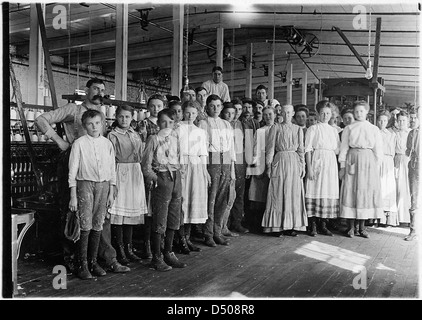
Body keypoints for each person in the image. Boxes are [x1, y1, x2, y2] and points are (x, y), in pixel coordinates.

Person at [35, 78, 129, 274]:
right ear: (86, 90)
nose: (99, 92)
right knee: (72, 212)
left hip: (96, 169)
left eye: (103, 90)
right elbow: (41, 119)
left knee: (101, 216)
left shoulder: (101, 114)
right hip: (74, 161)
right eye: (95, 88)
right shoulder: (73, 109)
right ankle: (74, 260)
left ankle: (104, 259)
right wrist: (60, 141)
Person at [68, 109, 116, 279]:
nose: (94, 126)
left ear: (102, 123)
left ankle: (94, 262)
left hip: (103, 186)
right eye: (90, 123)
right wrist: (73, 194)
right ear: (84, 125)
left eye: (97, 123)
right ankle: (83, 265)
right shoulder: (79, 143)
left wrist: (111, 191)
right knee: (85, 224)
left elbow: (112, 168)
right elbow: (72, 170)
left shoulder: (107, 144)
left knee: (98, 224)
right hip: (85, 185)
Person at [141, 108, 187, 271]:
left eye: (171, 122)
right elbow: (145, 166)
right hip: (162, 178)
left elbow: (181, 158)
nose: (167, 125)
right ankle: (157, 257)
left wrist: (180, 172)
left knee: (174, 218)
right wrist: (157, 180)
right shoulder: (153, 139)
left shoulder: (176, 138)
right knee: (160, 219)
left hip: (176, 179)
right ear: (158, 123)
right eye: (163, 122)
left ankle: (168, 252)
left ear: (175, 124)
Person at [107, 105, 148, 266]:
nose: (124, 120)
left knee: (130, 213)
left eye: (127, 117)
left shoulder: (135, 133)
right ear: (116, 117)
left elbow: (141, 153)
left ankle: (130, 249)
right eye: (121, 117)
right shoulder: (112, 135)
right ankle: (120, 250)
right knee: (119, 213)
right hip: (120, 171)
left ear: (132, 118)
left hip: (134, 171)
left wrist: (143, 137)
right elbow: (110, 158)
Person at [338, 101, 383, 238]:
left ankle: (362, 227)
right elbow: (344, 148)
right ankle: (351, 227)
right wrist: (342, 166)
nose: (358, 114)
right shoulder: (349, 128)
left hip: (368, 161)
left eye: (361, 111)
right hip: (352, 159)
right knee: (351, 192)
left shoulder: (373, 129)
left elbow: (378, 150)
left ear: (366, 112)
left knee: (365, 193)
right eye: (356, 111)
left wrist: (376, 167)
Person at [262, 104, 308, 236]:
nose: (287, 115)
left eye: (289, 112)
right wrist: (269, 166)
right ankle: (276, 226)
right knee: (277, 192)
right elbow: (270, 149)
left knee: (293, 193)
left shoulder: (298, 129)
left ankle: (291, 225)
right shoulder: (275, 128)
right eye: (284, 112)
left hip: (294, 162)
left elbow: (301, 150)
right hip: (279, 160)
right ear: (280, 113)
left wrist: (302, 166)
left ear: (293, 113)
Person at [198, 94, 236, 247]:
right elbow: (201, 148)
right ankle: (208, 234)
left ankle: (217, 232)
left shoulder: (227, 124)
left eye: (218, 106)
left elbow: (231, 148)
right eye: (212, 106)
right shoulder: (202, 123)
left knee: (223, 197)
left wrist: (232, 170)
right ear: (207, 107)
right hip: (211, 160)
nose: (215, 109)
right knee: (211, 198)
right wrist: (204, 169)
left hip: (225, 161)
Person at [175, 102, 210, 253]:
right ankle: (180, 239)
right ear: (183, 112)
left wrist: (205, 171)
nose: (190, 116)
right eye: (188, 113)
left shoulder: (200, 131)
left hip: (196, 167)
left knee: (192, 202)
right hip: (182, 165)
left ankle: (187, 238)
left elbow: (203, 154)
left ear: (197, 114)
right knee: (182, 202)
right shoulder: (177, 128)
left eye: (193, 113)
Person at [304, 101, 340, 237]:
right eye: (323, 113)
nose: (325, 115)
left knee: (327, 190)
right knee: (315, 189)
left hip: (330, 163)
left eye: (328, 113)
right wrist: (310, 168)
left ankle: (323, 224)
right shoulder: (313, 129)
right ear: (318, 114)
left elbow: (337, 149)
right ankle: (312, 224)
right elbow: (308, 149)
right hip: (317, 160)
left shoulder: (334, 131)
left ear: (331, 115)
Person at [137, 94, 166, 259]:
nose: (156, 109)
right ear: (148, 107)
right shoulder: (143, 124)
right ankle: (147, 244)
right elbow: (141, 147)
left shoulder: (166, 123)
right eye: (153, 106)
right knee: (149, 209)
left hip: (164, 169)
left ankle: (160, 243)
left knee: (160, 207)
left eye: (159, 106)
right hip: (150, 169)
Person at [247, 106, 275, 233]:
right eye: (265, 115)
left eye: (270, 114)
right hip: (261, 162)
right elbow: (255, 150)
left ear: (275, 115)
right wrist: (253, 168)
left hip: (276, 163)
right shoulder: (260, 131)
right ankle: (258, 225)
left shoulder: (279, 129)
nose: (268, 117)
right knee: (259, 194)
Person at [376, 110, 398, 227]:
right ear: (377, 121)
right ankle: (375, 218)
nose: (382, 123)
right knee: (378, 187)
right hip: (377, 161)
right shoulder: (374, 133)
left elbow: (393, 152)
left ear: (387, 121)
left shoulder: (391, 135)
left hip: (388, 162)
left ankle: (386, 218)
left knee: (387, 187)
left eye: (384, 120)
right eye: (380, 120)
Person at [405, 108, 420, 241]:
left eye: (417, 117)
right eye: (412, 117)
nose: (414, 120)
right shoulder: (411, 133)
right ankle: (413, 230)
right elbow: (408, 150)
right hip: (414, 168)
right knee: (414, 198)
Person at [395, 111, 412, 225]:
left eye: (404, 120)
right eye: (400, 120)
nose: (401, 123)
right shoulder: (394, 133)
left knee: (407, 188)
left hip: (408, 161)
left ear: (408, 121)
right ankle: (397, 217)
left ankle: (407, 217)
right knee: (397, 187)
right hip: (397, 160)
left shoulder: (411, 133)